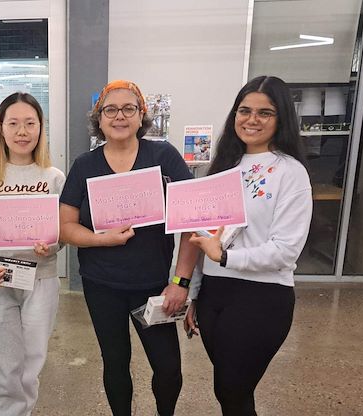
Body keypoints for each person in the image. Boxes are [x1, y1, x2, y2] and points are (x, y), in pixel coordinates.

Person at [59, 80, 199, 416]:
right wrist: (101, 239)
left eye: (128, 109)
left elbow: (191, 221)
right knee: (116, 363)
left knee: (168, 369)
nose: (119, 116)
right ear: (99, 118)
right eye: (110, 109)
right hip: (101, 284)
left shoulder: (163, 156)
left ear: (141, 116)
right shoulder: (84, 165)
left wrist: (180, 282)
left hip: (154, 286)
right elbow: (65, 228)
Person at [185, 75, 313, 416]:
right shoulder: (220, 169)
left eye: (265, 113)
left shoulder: (290, 172)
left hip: (262, 297)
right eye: (245, 110)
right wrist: (194, 294)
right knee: (228, 392)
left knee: (233, 388)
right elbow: (202, 239)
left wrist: (226, 257)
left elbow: (286, 250)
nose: (252, 119)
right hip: (214, 293)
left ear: (281, 118)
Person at [0, 92, 65, 416]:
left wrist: (52, 244)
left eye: (30, 123)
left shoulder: (54, 177)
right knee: (3, 364)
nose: (22, 131)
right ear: (1, 129)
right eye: (14, 123)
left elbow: (64, 231)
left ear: (41, 128)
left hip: (42, 280)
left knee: (31, 364)